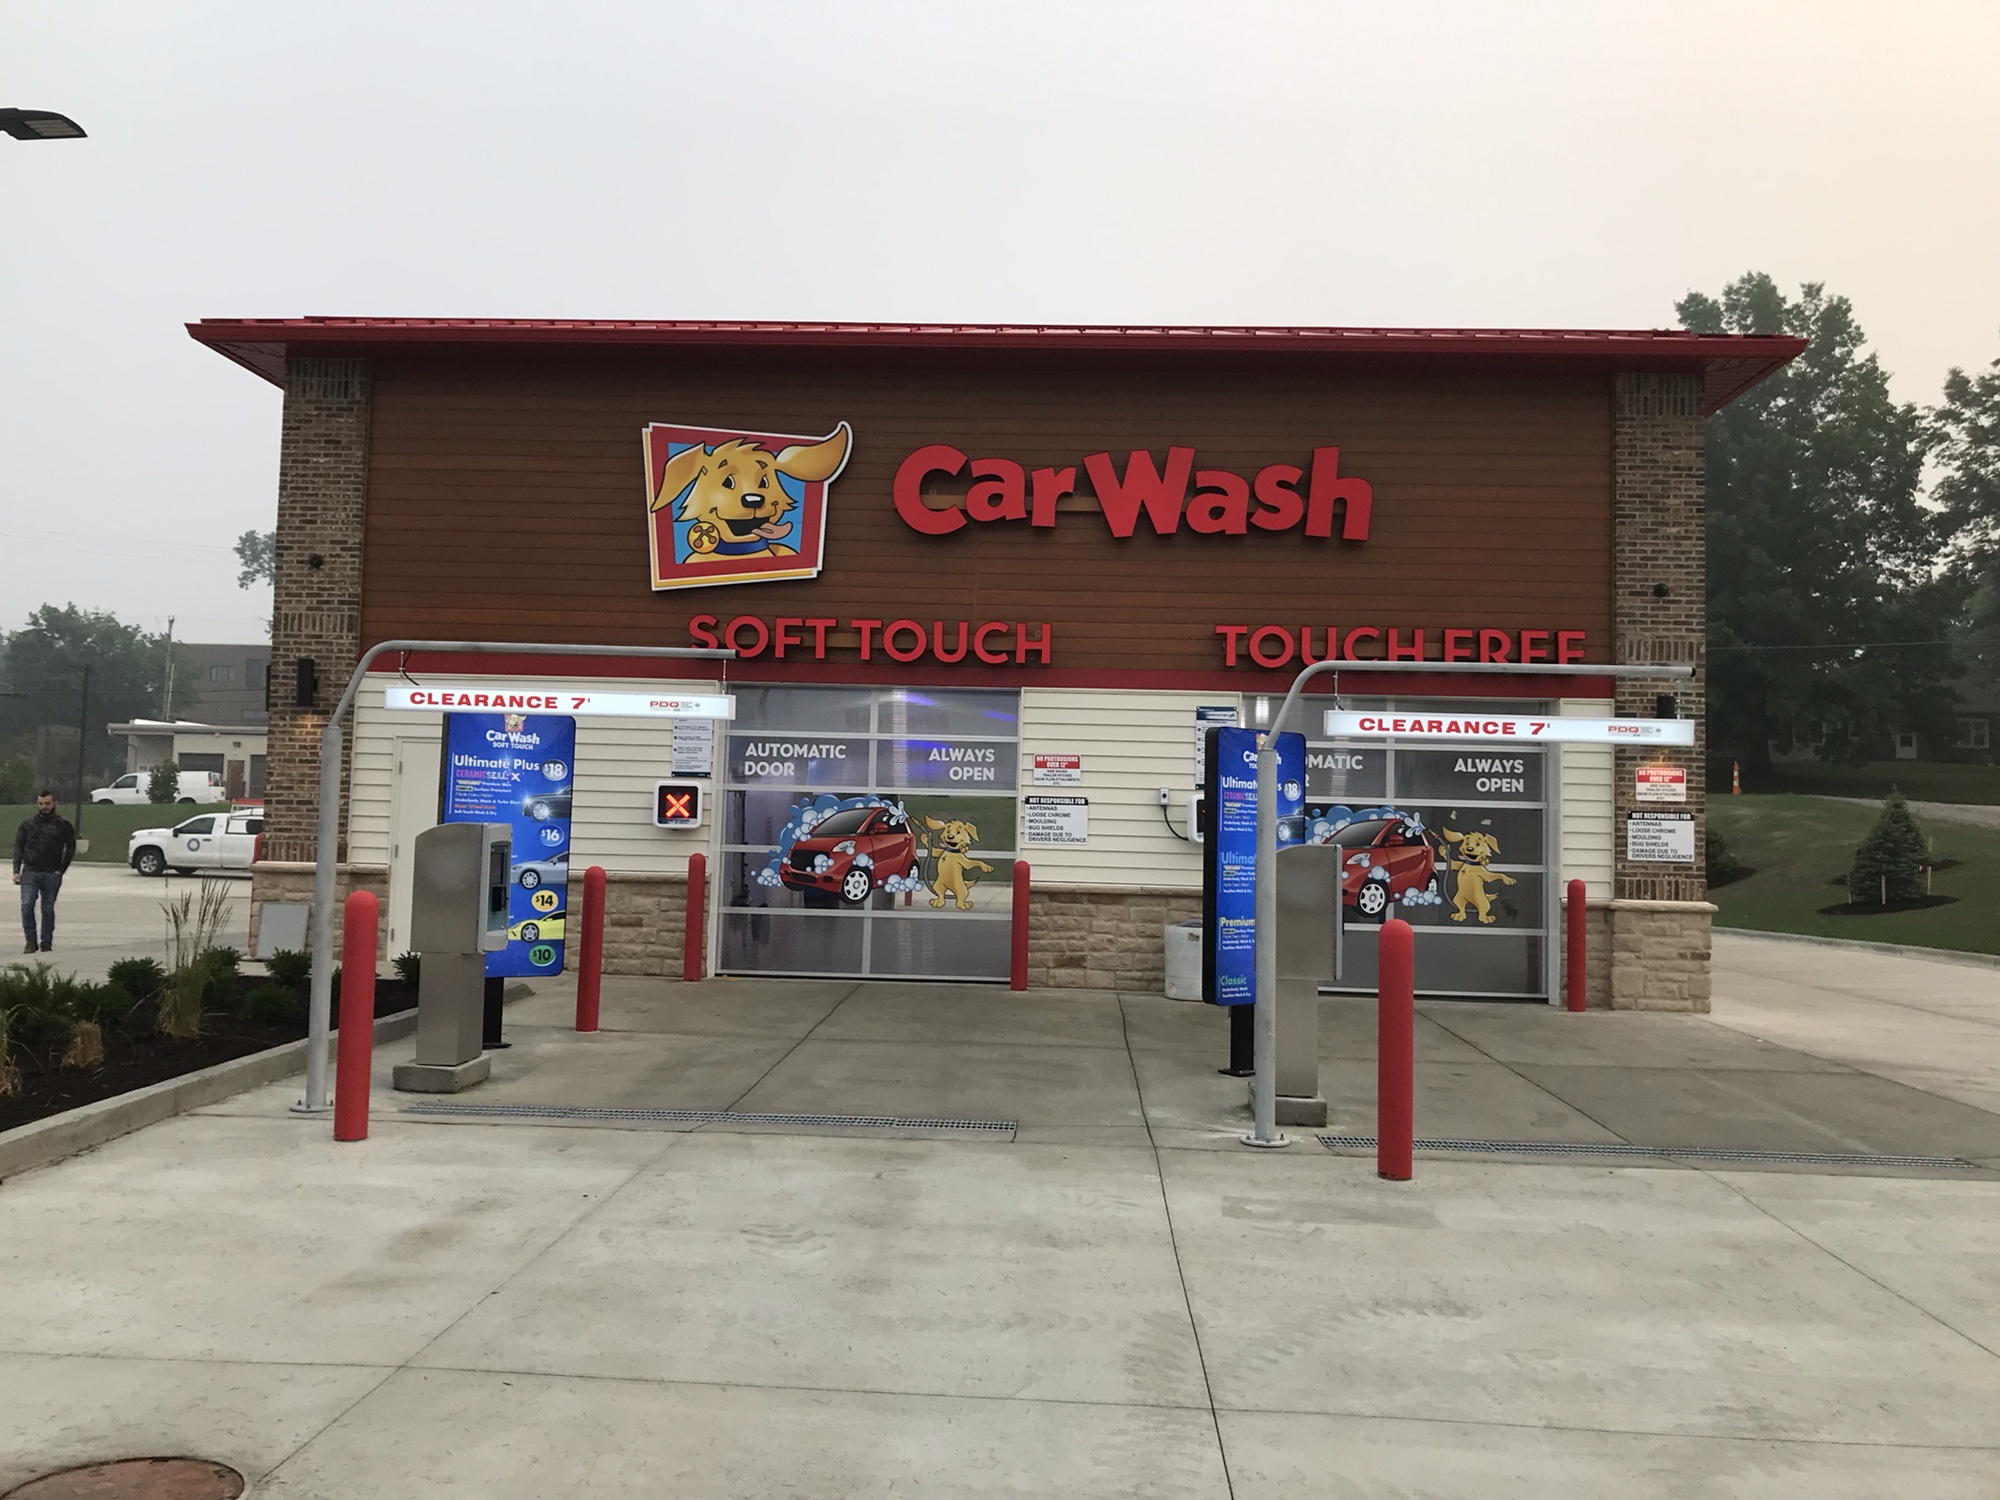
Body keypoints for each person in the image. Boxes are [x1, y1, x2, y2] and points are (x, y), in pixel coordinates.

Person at [14, 789, 77, 954]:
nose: (44, 807)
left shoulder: (63, 825)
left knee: (47, 908)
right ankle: (30, 941)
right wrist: (16, 870)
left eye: (47, 804)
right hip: (30, 871)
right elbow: (19, 847)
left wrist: (60, 871)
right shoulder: (27, 824)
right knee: (27, 905)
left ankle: (46, 942)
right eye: (41, 804)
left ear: (54, 803)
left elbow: (70, 848)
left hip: (51, 873)